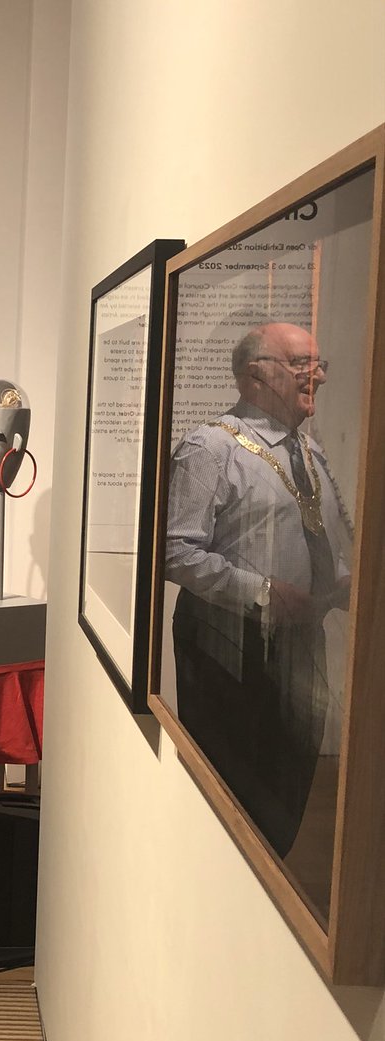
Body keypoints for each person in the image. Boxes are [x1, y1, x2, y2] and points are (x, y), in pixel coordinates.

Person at [165, 322, 350, 858]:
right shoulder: (211, 447)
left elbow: (326, 533)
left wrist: (338, 575)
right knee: (234, 783)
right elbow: (176, 552)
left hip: (299, 640)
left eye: (318, 364)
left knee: (289, 771)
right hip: (230, 641)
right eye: (299, 364)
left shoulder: (311, 454)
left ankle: (270, 886)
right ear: (253, 377)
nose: (315, 375)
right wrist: (263, 591)